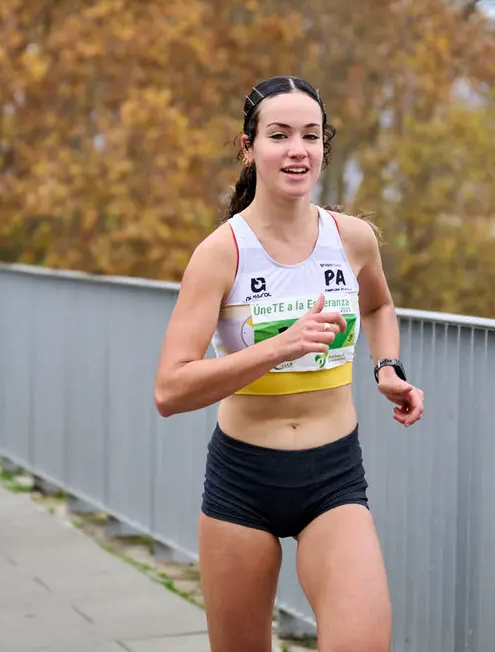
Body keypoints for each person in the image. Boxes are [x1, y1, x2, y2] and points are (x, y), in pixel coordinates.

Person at [152, 76, 425, 651]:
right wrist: (279, 347)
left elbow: (378, 303)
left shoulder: (352, 239)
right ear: (249, 149)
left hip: (334, 478)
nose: (297, 149)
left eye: (311, 135)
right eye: (279, 135)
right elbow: (170, 389)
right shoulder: (220, 252)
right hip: (243, 482)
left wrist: (387, 368)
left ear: (324, 147)